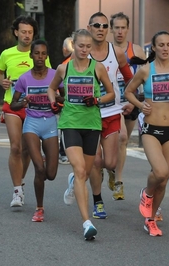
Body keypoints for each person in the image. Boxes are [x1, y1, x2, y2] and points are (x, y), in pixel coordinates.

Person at [124, 30, 169, 236]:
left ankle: (150, 219)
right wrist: (139, 105)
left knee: (164, 180)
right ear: (153, 48)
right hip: (150, 129)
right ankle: (146, 193)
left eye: (168, 45)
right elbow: (128, 91)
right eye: (161, 45)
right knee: (160, 172)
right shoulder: (146, 70)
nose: (165, 48)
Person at [48, 29, 115, 240]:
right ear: (73, 45)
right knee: (79, 170)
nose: (85, 50)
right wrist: (54, 101)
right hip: (70, 123)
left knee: (84, 173)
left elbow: (111, 93)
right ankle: (87, 222)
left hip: (92, 125)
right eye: (81, 46)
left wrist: (97, 101)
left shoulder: (98, 68)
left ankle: (72, 184)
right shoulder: (64, 68)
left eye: (88, 47)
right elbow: (52, 89)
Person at [0, 15, 51, 207]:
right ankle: (17, 190)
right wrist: (1, 81)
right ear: (16, 32)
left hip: (34, 107)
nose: (27, 35)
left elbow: (50, 77)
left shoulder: (40, 54)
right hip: (13, 105)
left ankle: (20, 179)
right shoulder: (7, 54)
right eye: (23, 32)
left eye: (30, 32)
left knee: (27, 149)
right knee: (16, 147)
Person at [87, 12, 133, 219]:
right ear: (89, 28)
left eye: (105, 26)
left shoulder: (117, 52)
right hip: (88, 114)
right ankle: (98, 202)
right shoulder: (82, 52)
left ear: (109, 29)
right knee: (96, 162)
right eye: (97, 25)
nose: (101, 28)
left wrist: (131, 100)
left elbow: (130, 78)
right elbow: (65, 76)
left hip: (112, 112)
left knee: (110, 163)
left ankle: (111, 173)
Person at [10, 39, 61, 222]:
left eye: (43, 54)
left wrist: (57, 101)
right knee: (39, 169)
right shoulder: (24, 78)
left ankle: (46, 159)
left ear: (47, 56)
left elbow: (63, 98)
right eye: (37, 53)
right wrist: (23, 102)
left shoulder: (55, 76)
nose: (40, 57)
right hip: (31, 123)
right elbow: (13, 104)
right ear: (31, 55)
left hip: (50, 124)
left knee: (51, 174)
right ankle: (39, 208)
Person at [109, 12, 146, 201]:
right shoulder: (105, 51)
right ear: (111, 29)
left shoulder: (137, 51)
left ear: (128, 29)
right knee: (119, 137)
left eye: (123, 27)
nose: (120, 31)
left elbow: (144, 76)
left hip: (131, 102)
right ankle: (115, 176)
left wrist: (137, 100)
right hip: (111, 103)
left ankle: (117, 177)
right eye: (116, 27)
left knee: (123, 141)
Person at [58, 36, 74, 165]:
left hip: (68, 101)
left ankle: (63, 153)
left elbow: (58, 86)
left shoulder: (64, 64)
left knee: (66, 126)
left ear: (64, 49)